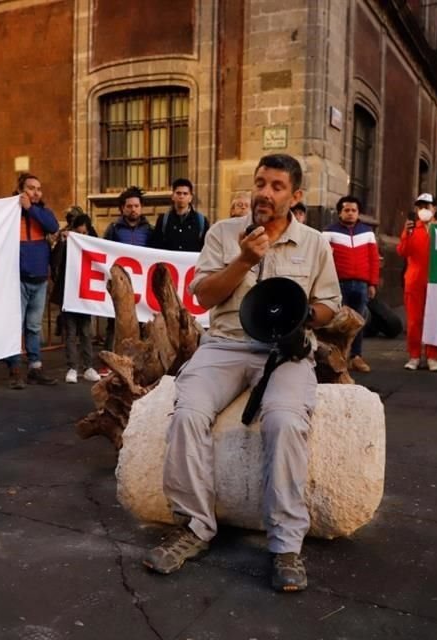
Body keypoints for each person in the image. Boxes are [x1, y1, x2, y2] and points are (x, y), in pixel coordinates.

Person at [142, 154, 341, 593]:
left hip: (283, 352)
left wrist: (305, 317)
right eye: (260, 184)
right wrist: (244, 260)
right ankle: (194, 528)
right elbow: (203, 295)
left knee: (286, 421)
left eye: (276, 187)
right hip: (226, 345)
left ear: (295, 196)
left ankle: (286, 545)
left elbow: (331, 306)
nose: (265, 194)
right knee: (188, 413)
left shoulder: (314, 244)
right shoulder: (222, 233)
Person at [5, 173, 60, 389]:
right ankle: (15, 369)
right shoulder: (9, 213)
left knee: (34, 326)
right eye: (30, 188)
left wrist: (30, 208)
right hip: (17, 278)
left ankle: (35, 367)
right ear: (20, 190)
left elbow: (53, 226)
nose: (35, 192)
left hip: (40, 279)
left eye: (38, 188)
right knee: (15, 326)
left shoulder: (41, 212)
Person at [322, 195, 380, 372]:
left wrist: (372, 283)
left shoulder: (368, 233)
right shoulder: (328, 232)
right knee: (337, 322)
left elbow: (373, 259)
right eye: (346, 210)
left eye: (353, 210)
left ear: (358, 213)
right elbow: (323, 259)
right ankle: (338, 357)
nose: (350, 213)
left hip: (361, 285)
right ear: (340, 213)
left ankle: (356, 356)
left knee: (358, 322)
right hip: (338, 283)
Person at [50, 213, 102, 384]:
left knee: (86, 332)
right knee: (70, 332)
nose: (82, 236)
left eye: (84, 233)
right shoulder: (65, 243)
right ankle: (72, 367)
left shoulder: (95, 244)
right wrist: (62, 243)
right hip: (68, 293)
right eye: (78, 233)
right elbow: (55, 262)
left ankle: (88, 367)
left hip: (86, 294)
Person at [103, 186, 153, 350]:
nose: (133, 209)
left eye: (136, 206)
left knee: (143, 323)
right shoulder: (113, 229)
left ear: (141, 207)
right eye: (129, 206)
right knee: (115, 322)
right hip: (121, 285)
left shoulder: (149, 230)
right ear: (122, 208)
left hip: (142, 286)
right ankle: (110, 361)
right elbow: (102, 251)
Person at [397, 193, 437, 372]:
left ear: (434, 209)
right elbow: (402, 251)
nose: (423, 210)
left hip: (436, 281)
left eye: (427, 206)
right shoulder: (412, 229)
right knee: (414, 321)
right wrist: (407, 234)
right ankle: (414, 356)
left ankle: (433, 357)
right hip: (415, 281)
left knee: (434, 320)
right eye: (420, 206)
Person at [149, 178, 208, 252]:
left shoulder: (201, 221)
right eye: (178, 193)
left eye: (185, 193)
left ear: (190, 198)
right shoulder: (163, 220)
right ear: (173, 196)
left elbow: (207, 249)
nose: (181, 196)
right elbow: (155, 246)